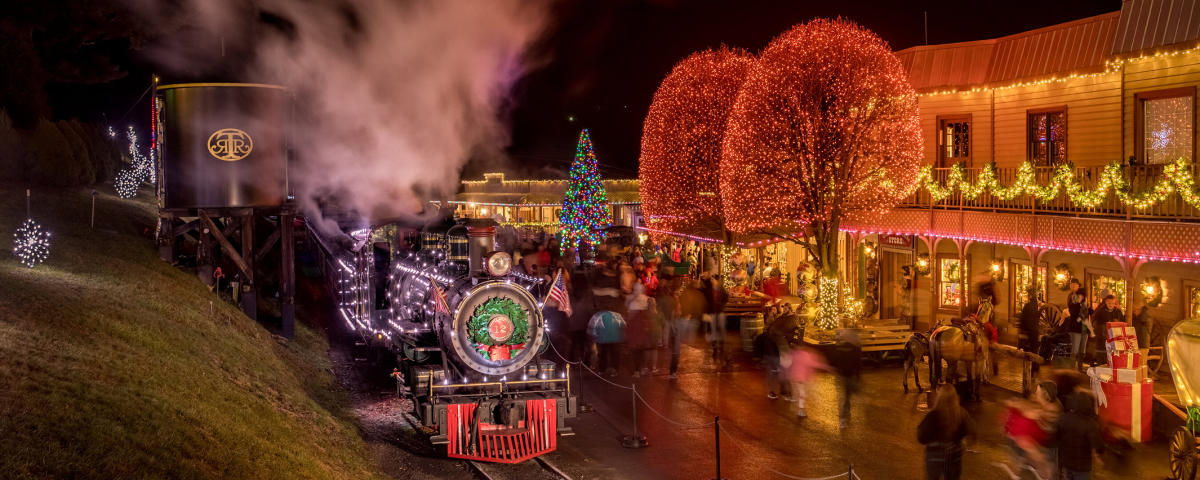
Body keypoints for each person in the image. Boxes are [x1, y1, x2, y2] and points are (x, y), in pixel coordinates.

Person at [918, 385, 974, 480]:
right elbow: (971, 429)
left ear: (939, 397)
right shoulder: (961, 414)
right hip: (954, 456)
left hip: (935, 456)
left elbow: (921, 437)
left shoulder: (933, 416)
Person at [1054, 392, 1105, 480]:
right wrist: (1100, 452)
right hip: (1082, 467)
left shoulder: (1064, 418)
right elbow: (1098, 445)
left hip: (1066, 462)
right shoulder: (1090, 423)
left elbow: (1056, 436)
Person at [828, 329, 862, 429]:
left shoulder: (839, 348)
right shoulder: (856, 349)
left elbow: (833, 361)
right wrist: (858, 376)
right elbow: (858, 364)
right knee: (847, 394)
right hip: (850, 375)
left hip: (840, 375)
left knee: (842, 396)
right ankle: (845, 412)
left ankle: (842, 417)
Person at [784, 342, 828, 418]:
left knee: (800, 392)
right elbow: (813, 364)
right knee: (802, 394)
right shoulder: (805, 355)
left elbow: (788, 363)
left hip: (795, 376)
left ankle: (798, 406)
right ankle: (801, 410)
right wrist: (826, 367)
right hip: (801, 378)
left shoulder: (794, 354)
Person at [700, 272, 730, 369]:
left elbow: (726, 297)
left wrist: (721, 305)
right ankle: (715, 349)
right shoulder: (709, 289)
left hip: (719, 312)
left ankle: (721, 347)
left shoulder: (721, 289)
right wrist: (704, 278)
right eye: (712, 279)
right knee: (713, 330)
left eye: (714, 280)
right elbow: (703, 289)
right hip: (712, 313)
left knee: (721, 330)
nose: (713, 281)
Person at [625, 281, 654, 377]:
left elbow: (628, 315)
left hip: (638, 329)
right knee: (639, 351)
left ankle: (639, 370)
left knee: (637, 351)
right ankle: (640, 369)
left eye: (636, 289)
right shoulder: (643, 299)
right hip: (639, 329)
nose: (635, 291)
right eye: (635, 289)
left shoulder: (635, 300)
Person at [588, 309, 626, 377]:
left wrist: (593, 337)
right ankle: (614, 370)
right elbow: (623, 325)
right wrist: (622, 336)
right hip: (615, 338)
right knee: (614, 355)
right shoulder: (617, 315)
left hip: (602, 338)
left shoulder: (597, 315)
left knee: (602, 355)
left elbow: (591, 327)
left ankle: (602, 370)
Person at [1090, 295, 1124, 364]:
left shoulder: (1118, 312)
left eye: (1113, 303)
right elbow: (1094, 322)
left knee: (1113, 356)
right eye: (1109, 303)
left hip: (1115, 338)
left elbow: (1123, 322)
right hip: (1102, 338)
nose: (1111, 305)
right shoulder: (1100, 311)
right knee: (1102, 356)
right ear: (1106, 302)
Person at [1065, 280, 1088, 367]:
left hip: (1084, 327)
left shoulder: (1084, 301)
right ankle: (1072, 368)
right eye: (1072, 285)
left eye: (1075, 285)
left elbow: (1087, 313)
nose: (1073, 286)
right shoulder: (1071, 299)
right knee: (1075, 349)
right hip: (1075, 327)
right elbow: (1073, 311)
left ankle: (1080, 367)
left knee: (1082, 349)